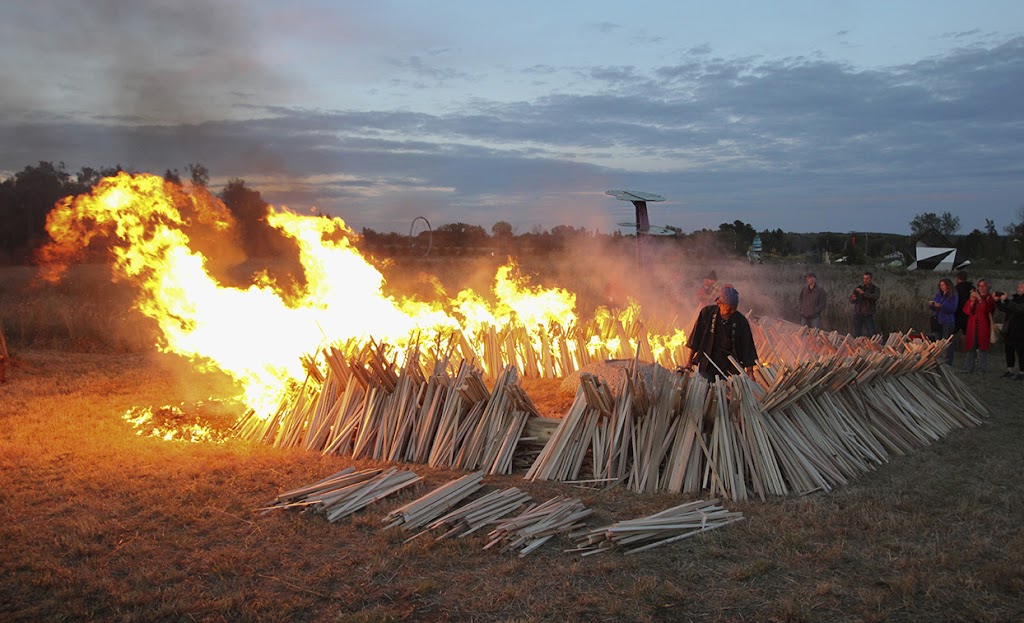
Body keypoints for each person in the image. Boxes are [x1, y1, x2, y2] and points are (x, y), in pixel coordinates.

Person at [683, 285, 759, 381]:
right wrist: (689, 361)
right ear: (720, 303)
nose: (732, 311)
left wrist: (750, 372)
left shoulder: (741, 321)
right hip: (707, 363)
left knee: (726, 393)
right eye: (729, 308)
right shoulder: (706, 313)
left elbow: (747, 347)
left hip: (730, 367)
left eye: (735, 308)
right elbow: (695, 338)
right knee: (705, 390)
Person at [962, 277, 996, 374]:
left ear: (988, 287)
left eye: (983, 286)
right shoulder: (975, 298)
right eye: (979, 286)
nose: (981, 288)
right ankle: (968, 368)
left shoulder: (989, 299)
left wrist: (980, 299)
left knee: (982, 348)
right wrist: (972, 300)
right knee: (971, 347)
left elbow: (985, 309)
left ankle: (982, 369)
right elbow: (967, 311)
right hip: (973, 325)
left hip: (983, 326)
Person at [995, 281, 1024, 380]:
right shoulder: (1015, 299)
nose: (1019, 288)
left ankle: (1022, 372)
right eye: (1019, 286)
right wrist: (998, 301)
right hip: (1010, 330)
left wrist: (1007, 301)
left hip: (1021, 330)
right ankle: (1010, 370)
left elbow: (1019, 309)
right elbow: (1005, 309)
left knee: (1021, 353)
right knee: (1009, 351)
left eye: (1022, 287)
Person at [928, 278, 958, 366]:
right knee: (938, 341)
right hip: (937, 320)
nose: (942, 287)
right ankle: (938, 360)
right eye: (941, 285)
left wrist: (941, 306)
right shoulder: (939, 295)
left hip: (947, 321)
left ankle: (948, 361)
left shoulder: (953, 296)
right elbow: (935, 307)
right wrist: (932, 305)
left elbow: (952, 308)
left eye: (944, 285)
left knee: (946, 342)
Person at [849, 271, 881, 337]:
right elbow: (852, 300)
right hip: (858, 313)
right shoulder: (859, 287)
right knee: (857, 333)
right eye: (864, 278)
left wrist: (863, 293)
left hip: (868, 314)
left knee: (871, 333)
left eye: (867, 279)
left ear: (871, 279)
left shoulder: (875, 289)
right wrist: (853, 298)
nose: (865, 280)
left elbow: (874, 297)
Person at [953, 271, 973, 337]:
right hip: (969, 314)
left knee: (953, 334)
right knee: (967, 335)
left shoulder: (956, 289)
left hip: (958, 314)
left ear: (958, 278)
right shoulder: (972, 288)